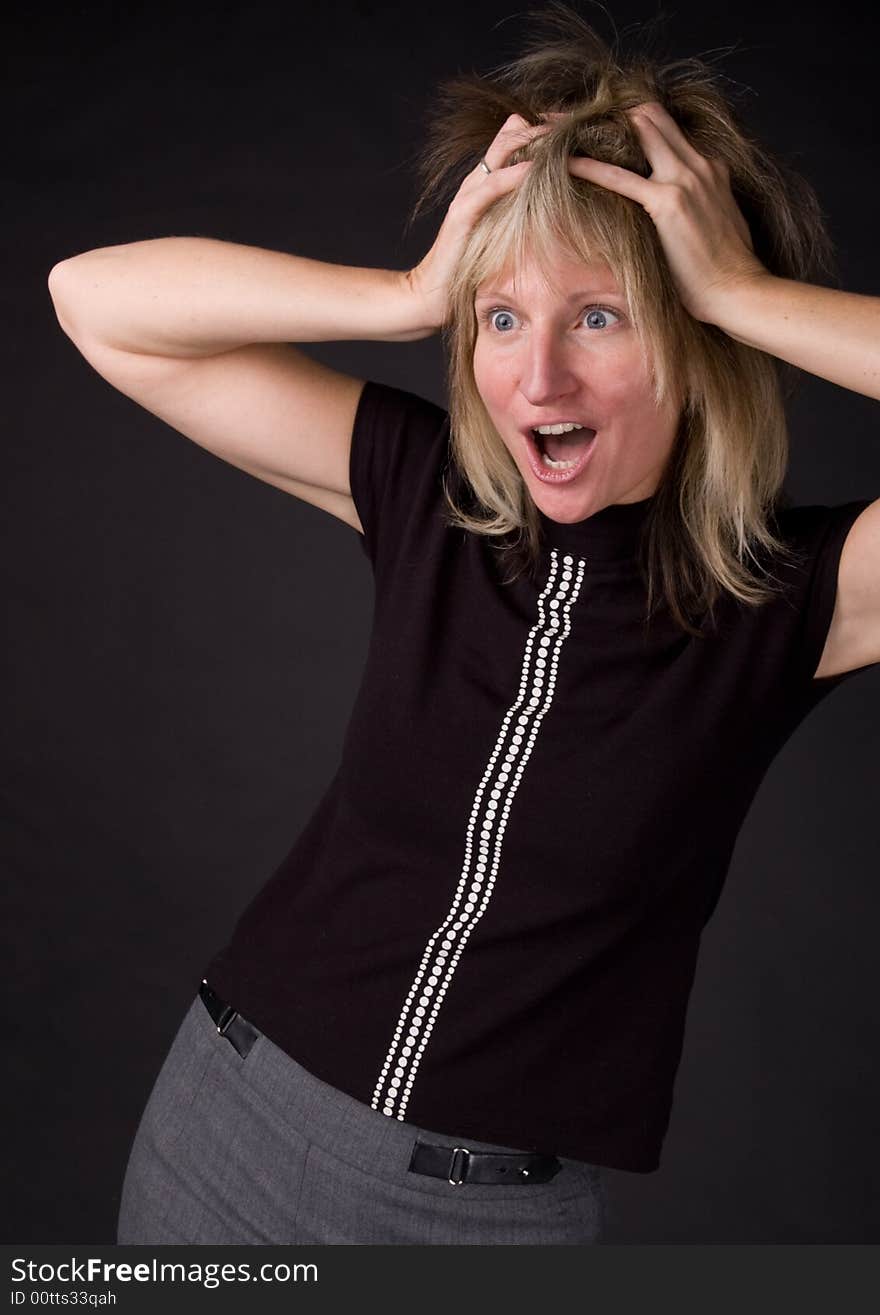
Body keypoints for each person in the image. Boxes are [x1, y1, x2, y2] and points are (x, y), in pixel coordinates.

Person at [47, 4, 879, 1245]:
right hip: (225, 1114)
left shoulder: (799, 595)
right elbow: (93, 298)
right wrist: (408, 293)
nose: (535, 377)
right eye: (500, 319)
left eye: (596, 316)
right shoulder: (429, 495)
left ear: (696, 347)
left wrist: (742, 290)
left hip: (474, 1219)